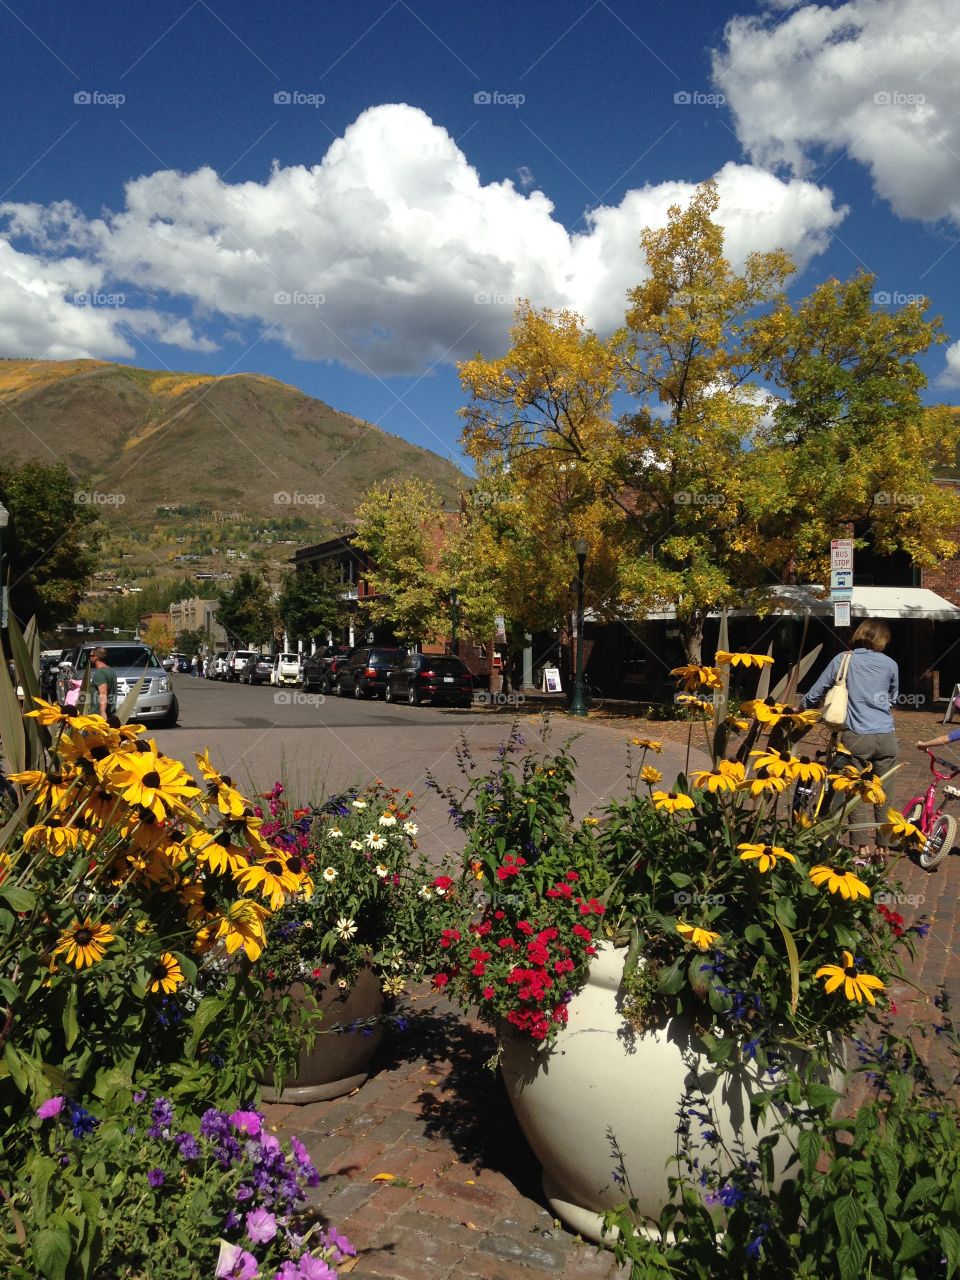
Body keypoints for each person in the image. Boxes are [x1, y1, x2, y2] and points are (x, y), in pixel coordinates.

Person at [800, 619, 899, 859]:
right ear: (883, 639)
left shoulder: (843, 660)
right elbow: (893, 698)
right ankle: (883, 845)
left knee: (852, 789)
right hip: (886, 737)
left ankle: (861, 843)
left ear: (860, 634)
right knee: (883, 792)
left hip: (856, 738)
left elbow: (816, 692)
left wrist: (801, 709)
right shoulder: (891, 664)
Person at [88, 647, 118, 725]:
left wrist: (102, 712)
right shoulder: (111, 671)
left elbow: (103, 693)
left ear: (96, 657)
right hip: (110, 714)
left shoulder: (100, 673)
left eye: (91, 655)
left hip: (97, 717)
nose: (89, 657)